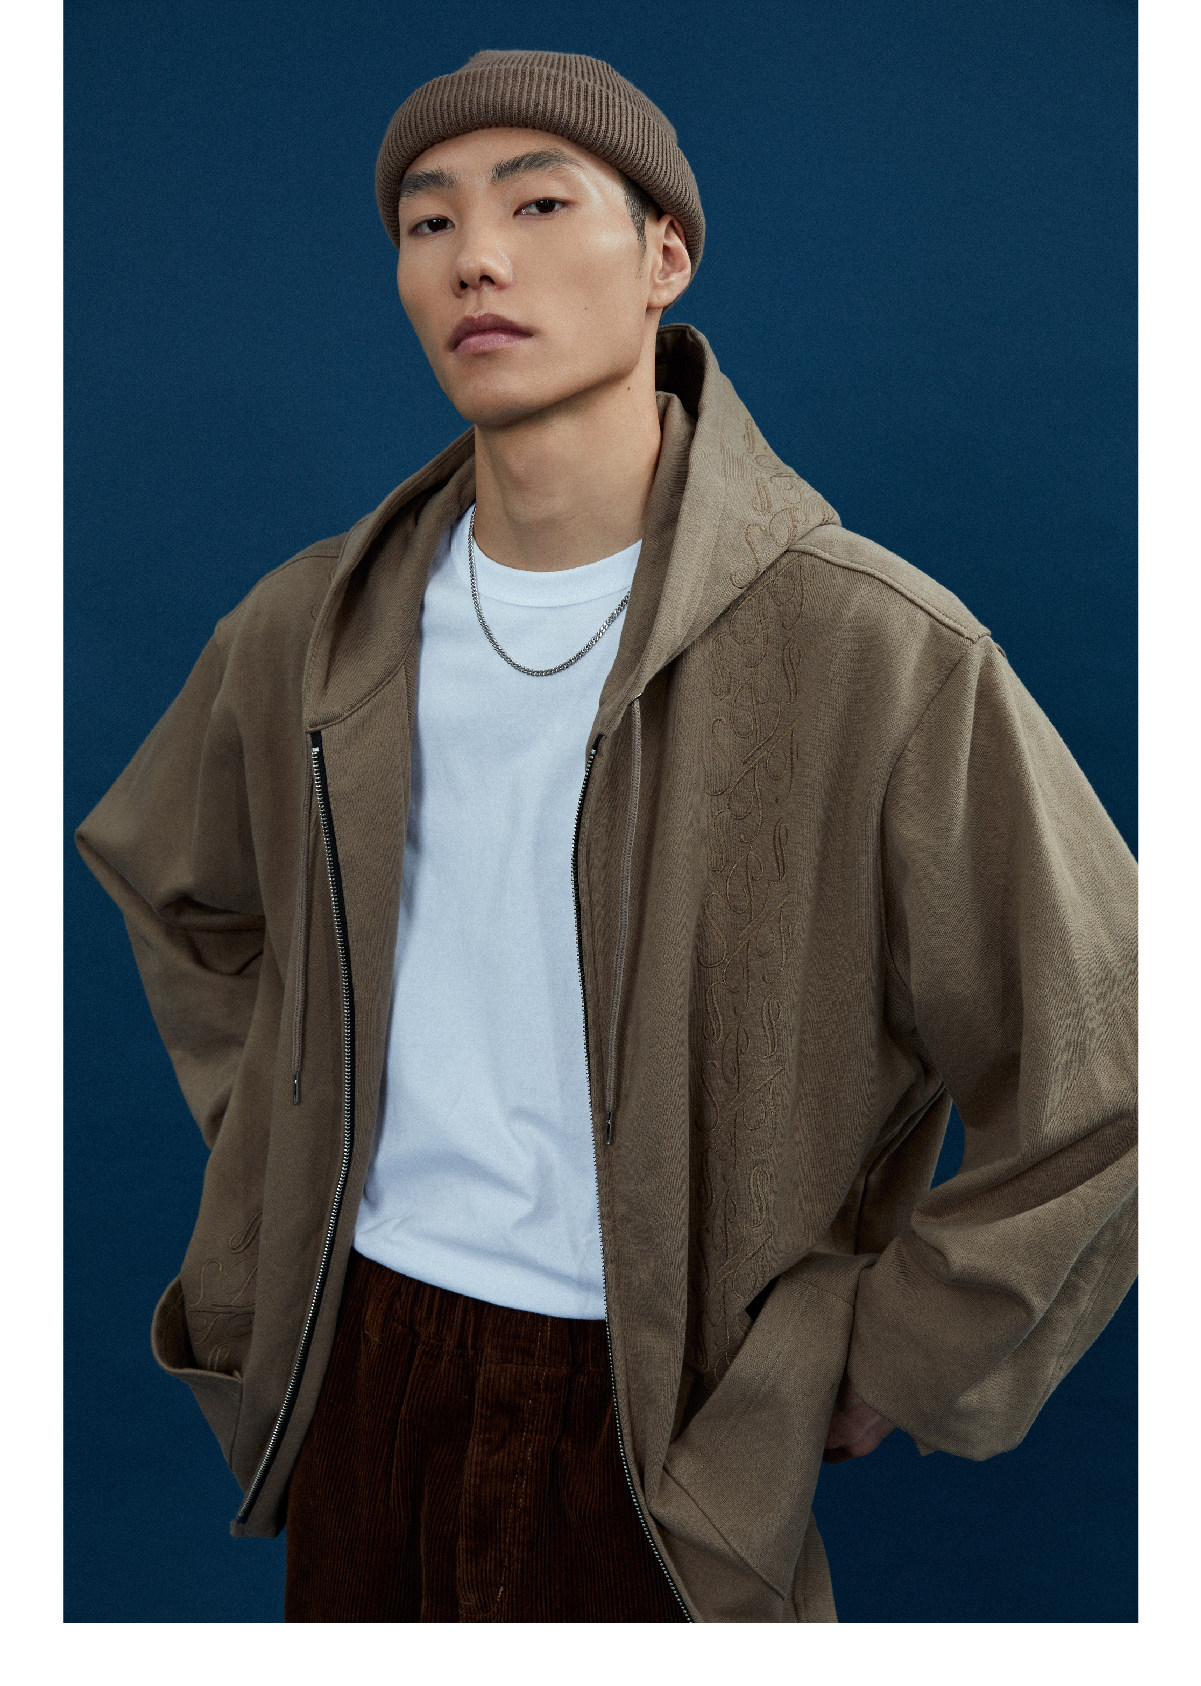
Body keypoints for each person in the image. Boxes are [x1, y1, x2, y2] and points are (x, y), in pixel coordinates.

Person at [76, 49, 1137, 1624]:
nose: (474, 258)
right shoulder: (313, 629)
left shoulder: (873, 651)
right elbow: (178, 890)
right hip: (360, 1364)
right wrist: (287, 1145)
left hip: (664, 1423)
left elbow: (1119, 1067)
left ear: (663, 258)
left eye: (535, 204)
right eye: (427, 222)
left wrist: (892, 1349)